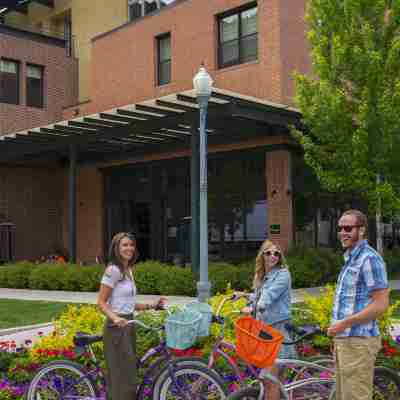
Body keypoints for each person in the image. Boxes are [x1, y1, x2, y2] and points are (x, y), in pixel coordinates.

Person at [327, 209, 389, 400]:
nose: (342, 233)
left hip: (359, 342)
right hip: (346, 341)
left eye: (348, 228)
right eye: (340, 228)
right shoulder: (351, 258)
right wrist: (338, 334)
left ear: (361, 230)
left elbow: (381, 304)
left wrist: (344, 324)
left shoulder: (369, 259)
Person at [97, 232, 166, 400]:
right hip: (117, 329)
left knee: (129, 374)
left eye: (131, 245)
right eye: (125, 245)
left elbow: (128, 302)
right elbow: (101, 302)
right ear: (116, 248)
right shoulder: (113, 270)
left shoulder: (128, 270)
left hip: (128, 324)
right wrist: (115, 318)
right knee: (123, 377)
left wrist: (153, 305)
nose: (129, 248)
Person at [240, 239, 296, 400]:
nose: (273, 256)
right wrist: (244, 296)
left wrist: (255, 307)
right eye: (268, 253)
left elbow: (269, 296)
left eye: (276, 253)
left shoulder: (283, 273)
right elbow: (259, 295)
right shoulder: (265, 276)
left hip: (277, 330)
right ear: (262, 255)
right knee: (272, 380)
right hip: (265, 331)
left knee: (270, 380)